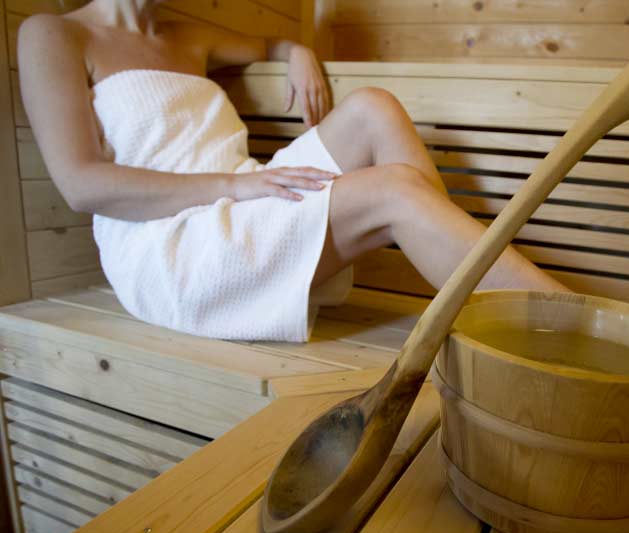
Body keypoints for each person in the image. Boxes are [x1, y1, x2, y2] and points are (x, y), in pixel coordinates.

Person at [17, 0, 568, 342]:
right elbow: (80, 184)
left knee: (374, 106)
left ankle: (470, 303)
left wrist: (297, 48)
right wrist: (234, 186)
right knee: (396, 190)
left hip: (243, 196)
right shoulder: (54, 34)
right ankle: (569, 327)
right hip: (171, 243)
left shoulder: (186, 35)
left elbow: (270, 41)